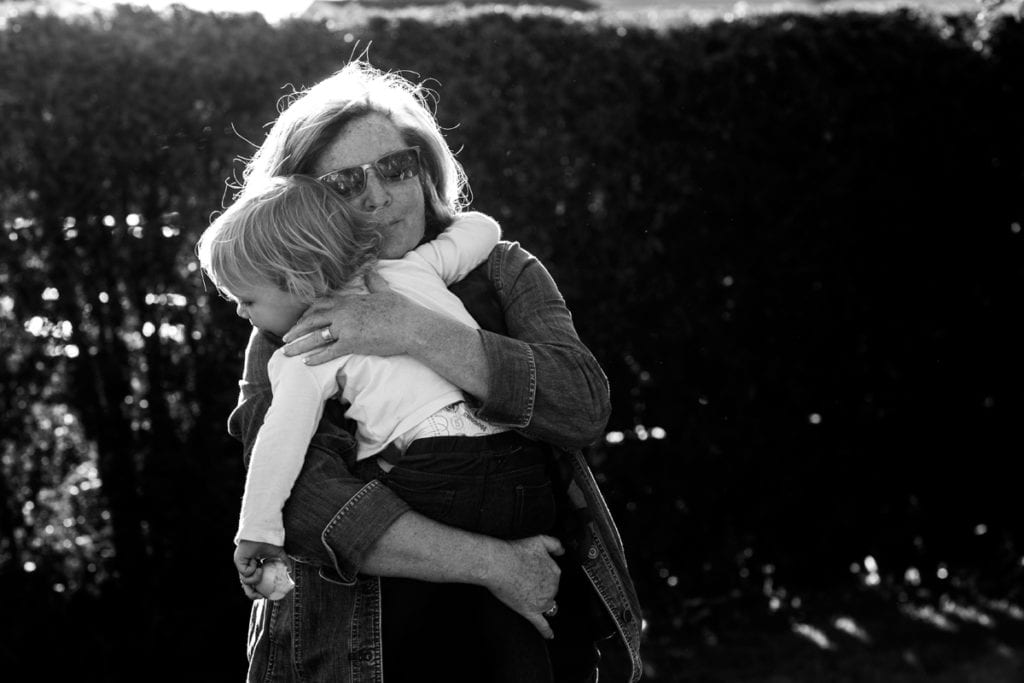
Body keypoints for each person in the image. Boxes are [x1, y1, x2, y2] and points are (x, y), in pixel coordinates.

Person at [224, 60, 642, 682]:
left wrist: (411, 329)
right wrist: (495, 565)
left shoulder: (503, 272)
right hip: (371, 645)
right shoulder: (289, 332)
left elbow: (579, 406)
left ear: (423, 167)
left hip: (538, 623)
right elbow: (307, 504)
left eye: (395, 167)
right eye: (344, 183)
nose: (378, 195)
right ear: (301, 206)